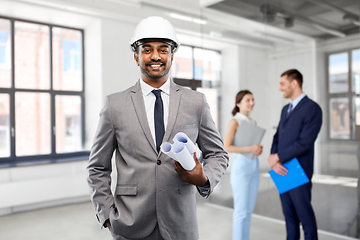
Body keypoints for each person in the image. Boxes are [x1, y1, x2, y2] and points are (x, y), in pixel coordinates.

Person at [86, 16, 229, 240]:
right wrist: (106, 214)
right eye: (147, 49)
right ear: (136, 56)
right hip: (129, 224)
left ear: (172, 55)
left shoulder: (196, 102)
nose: (155, 56)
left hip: (181, 223)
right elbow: (97, 167)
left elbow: (218, 154)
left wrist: (203, 178)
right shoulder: (114, 105)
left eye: (163, 49)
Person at [268, 69, 322, 240]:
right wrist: (273, 158)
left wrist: (278, 157)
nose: (280, 88)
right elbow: (278, 136)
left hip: (299, 171)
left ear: (294, 83)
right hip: (281, 169)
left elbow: (305, 142)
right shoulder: (286, 109)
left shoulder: (313, 108)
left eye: (282, 84)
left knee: (305, 218)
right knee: (289, 218)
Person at [223, 90, 263, 240]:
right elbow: (227, 146)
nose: (252, 103)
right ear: (238, 103)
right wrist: (250, 148)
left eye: (252, 100)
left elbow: (252, 146)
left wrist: (256, 149)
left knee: (248, 211)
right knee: (240, 211)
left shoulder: (252, 122)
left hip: (254, 165)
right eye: (248, 100)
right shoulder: (235, 121)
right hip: (242, 167)